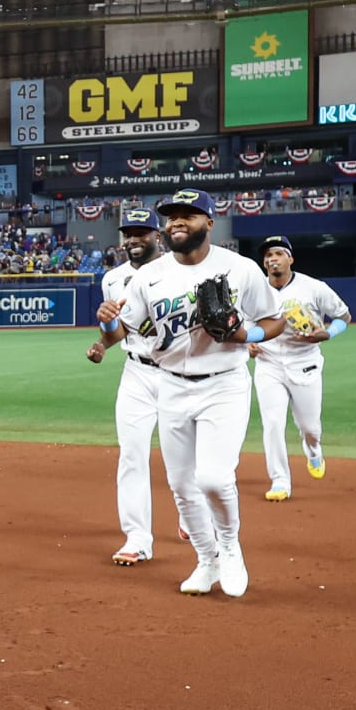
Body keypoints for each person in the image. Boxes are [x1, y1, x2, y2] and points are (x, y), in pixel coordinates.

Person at [104, 189, 285, 599]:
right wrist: (105, 325)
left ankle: (229, 545)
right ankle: (206, 559)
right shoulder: (149, 276)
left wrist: (246, 334)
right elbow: (123, 330)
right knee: (182, 485)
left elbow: (275, 321)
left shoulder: (239, 269)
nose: (177, 222)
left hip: (223, 382)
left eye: (188, 214)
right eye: (171, 216)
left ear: (209, 222)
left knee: (214, 478)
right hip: (170, 385)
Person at [86, 208, 166, 567]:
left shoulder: (177, 272)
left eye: (142, 232)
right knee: (132, 456)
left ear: (157, 237)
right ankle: (138, 537)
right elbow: (121, 330)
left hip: (181, 374)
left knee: (188, 462)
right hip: (137, 373)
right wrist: (104, 338)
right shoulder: (112, 279)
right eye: (128, 233)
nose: (134, 239)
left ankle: (191, 514)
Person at [251, 235, 351, 501]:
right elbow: (243, 323)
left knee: (310, 426)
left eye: (278, 253)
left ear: (290, 259)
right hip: (268, 363)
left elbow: (344, 316)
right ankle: (280, 481)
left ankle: (314, 449)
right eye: (268, 255)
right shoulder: (254, 289)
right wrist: (246, 344)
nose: (272, 259)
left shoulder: (314, 287)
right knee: (272, 423)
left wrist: (328, 333)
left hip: (305, 362)